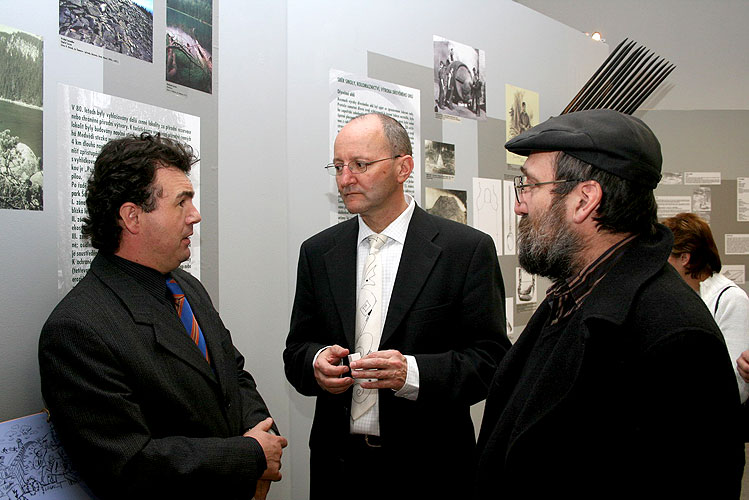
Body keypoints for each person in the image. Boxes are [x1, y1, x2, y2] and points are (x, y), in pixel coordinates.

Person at [473, 109, 744, 499]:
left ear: (584, 199)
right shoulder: (573, 295)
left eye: (530, 186)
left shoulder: (675, 336)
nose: (520, 204)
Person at [38, 133, 287, 500]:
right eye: (181, 203)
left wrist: (262, 437)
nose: (195, 216)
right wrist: (249, 456)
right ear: (132, 217)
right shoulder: (77, 331)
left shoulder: (186, 286)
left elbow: (232, 374)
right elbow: (128, 465)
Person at [284, 113, 508, 499]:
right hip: (338, 467)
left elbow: (491, 361)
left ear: (403, 167)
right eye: (338, 166)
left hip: (429, 469)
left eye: (360, 165)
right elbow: (296, 350)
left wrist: (412, 373)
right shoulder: (319, 251)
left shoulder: (464, 250)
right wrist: (316, 362)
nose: (345, 178)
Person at [663, 212, 749, 403]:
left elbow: (737, 387)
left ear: (684, 258)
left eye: (666, 255)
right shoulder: (683, 295)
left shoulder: (732, 299)